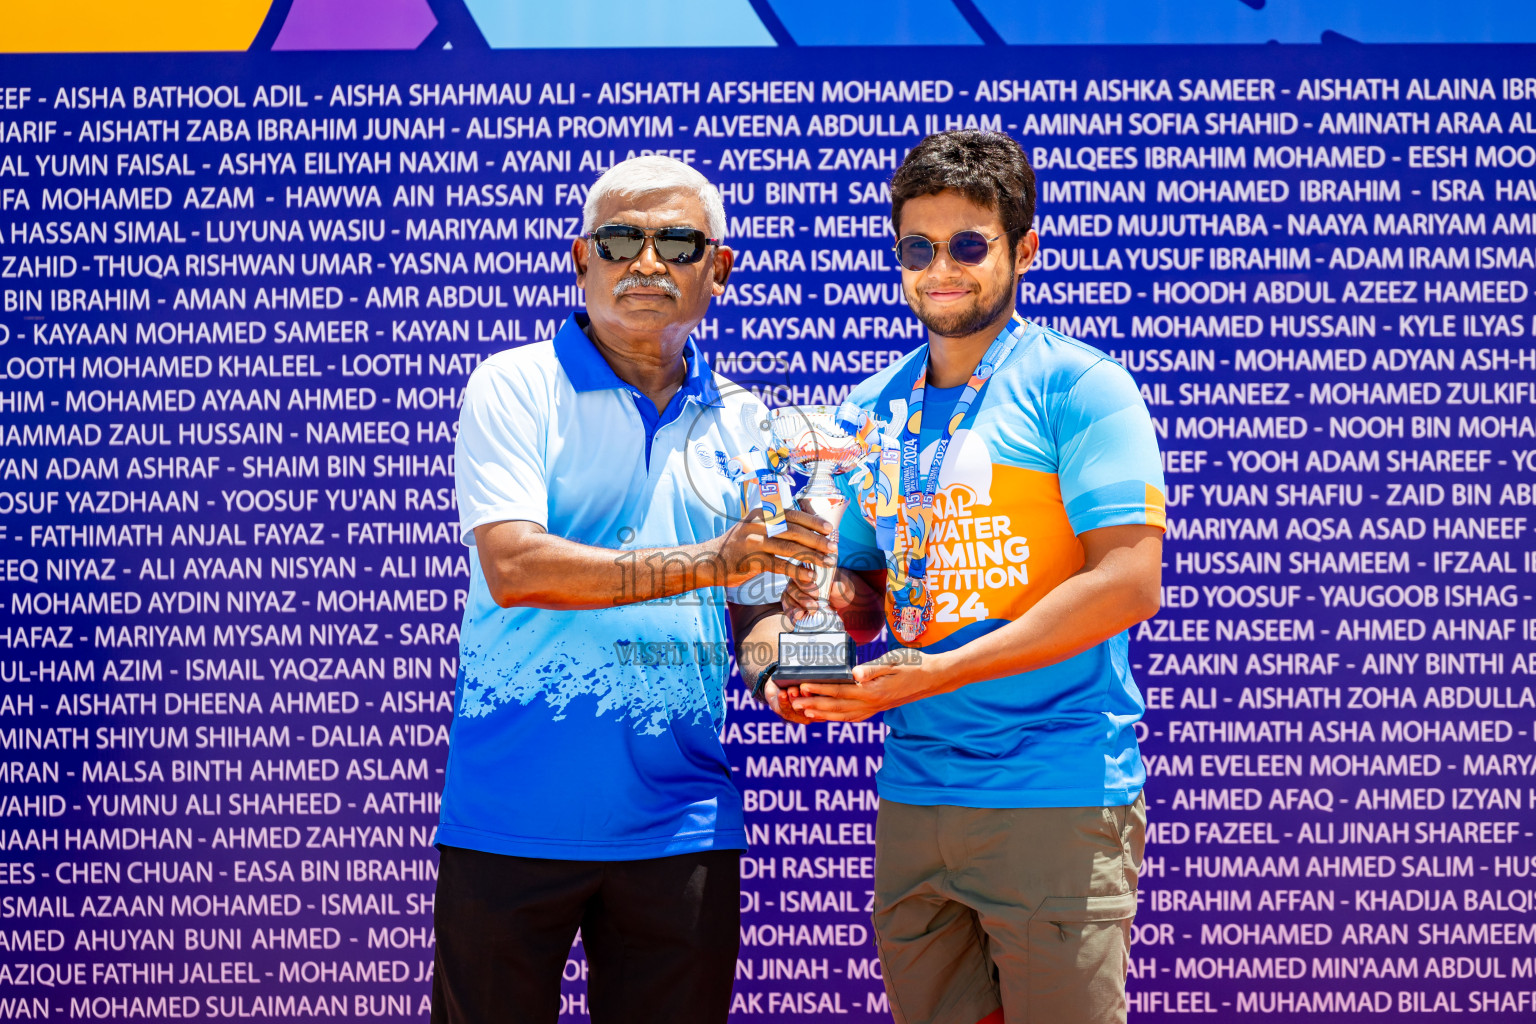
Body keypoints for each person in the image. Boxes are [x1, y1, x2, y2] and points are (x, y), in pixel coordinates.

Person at [765, 130, 1166, 1024]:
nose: (940, 269)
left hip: (1052, 788)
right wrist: (817, 630)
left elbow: (1129, 583)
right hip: (916, 790)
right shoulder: (868, 408)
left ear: (1023, 249)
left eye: (968, 245)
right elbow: (868, 585)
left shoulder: (1081, 386)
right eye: (918, 248)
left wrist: (939, 671)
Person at [432, 154, 833, 1024]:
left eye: (677, 242)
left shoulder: (751, 423)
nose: (646, 263)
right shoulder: (515, 384)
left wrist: (788, 670)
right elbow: (517, 567)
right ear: (583, 259)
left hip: (682, 824)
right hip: (510, 816)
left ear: (716, 269)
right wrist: (709, 563)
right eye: (621, 240)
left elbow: (755, 609)